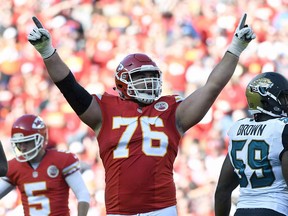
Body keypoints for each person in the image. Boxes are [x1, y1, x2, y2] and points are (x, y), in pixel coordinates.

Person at [27, 13, 255, 215]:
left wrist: (235, 48)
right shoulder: (104, 109)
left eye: (152, 76)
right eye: (139, 77)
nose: (148, 82)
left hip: (162, 208)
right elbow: (68, 85)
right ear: (122, 81)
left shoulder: (172, 110)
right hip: (119, 210)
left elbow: (212, 86)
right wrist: (47, 51)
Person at [214, 72, 288, 216]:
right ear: (267, 102)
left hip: (242, 210)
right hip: (276, 209)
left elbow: (222, 190)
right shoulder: (282, 129)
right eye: (283, 98)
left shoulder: (238, 128)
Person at [0, 114, 90, 216]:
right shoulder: (14, 166)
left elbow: (83, 194)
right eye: (19, 143)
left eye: (26, 142)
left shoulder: (61, 160)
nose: (22, 148)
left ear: (41, 139)